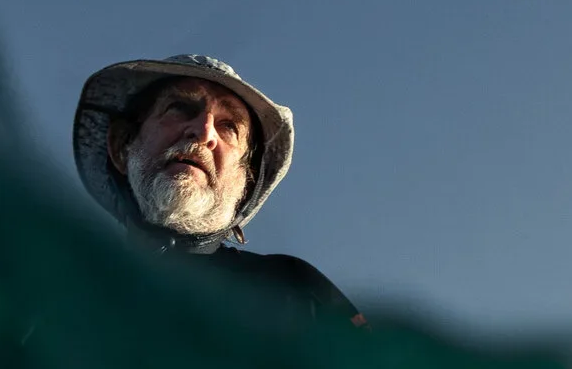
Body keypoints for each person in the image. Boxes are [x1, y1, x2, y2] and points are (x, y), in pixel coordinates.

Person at [72, 54, 362, 326]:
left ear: (245, 183)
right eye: (180, 109)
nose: (204, 132)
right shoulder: (63, 290)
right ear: (121, 146)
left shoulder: (295, 288)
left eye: (229, 127)